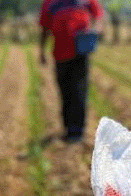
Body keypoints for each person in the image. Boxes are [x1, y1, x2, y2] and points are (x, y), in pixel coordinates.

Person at [38, 0, 103, 143]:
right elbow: (44, 28)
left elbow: (97, 17)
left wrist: (96, 30)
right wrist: (42, 51)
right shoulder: (49, 3)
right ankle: (68, 127)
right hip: (59, 54)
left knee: (79, 91)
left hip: (80, 52)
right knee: (65, 91)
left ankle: (77, 131)